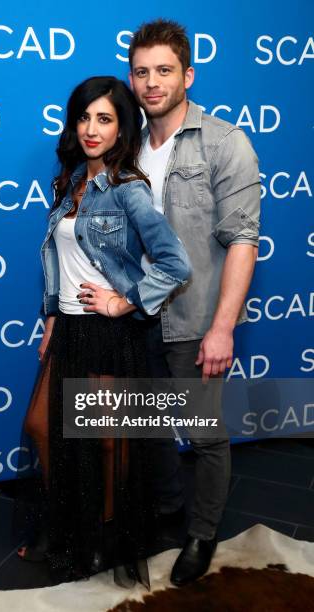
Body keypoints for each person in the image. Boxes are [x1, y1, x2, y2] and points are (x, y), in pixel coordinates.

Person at [15, 75, 191, 589]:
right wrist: (52, 318)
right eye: (85, 117)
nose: (92, 128)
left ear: (122, 129)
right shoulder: (68, 182)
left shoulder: (128, 190)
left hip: (109, 333)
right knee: (45, 428)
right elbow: (57, 261)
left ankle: (98, 535)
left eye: (105, 119)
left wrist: (125, 301)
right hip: (69, 329)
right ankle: (66, 521)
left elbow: (174, 264)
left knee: (105, 443)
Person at [128, 19, 261, 585]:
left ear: (187, 74)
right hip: (134, 320)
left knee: (204, 435)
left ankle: (202, 535)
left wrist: (223, 327)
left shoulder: (225, 143)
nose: (151, 82)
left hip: (194, 320)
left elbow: (242, 240)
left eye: (163, 71)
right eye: (141, 72)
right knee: (146, 427)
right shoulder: (125, 143)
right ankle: (164, 511)